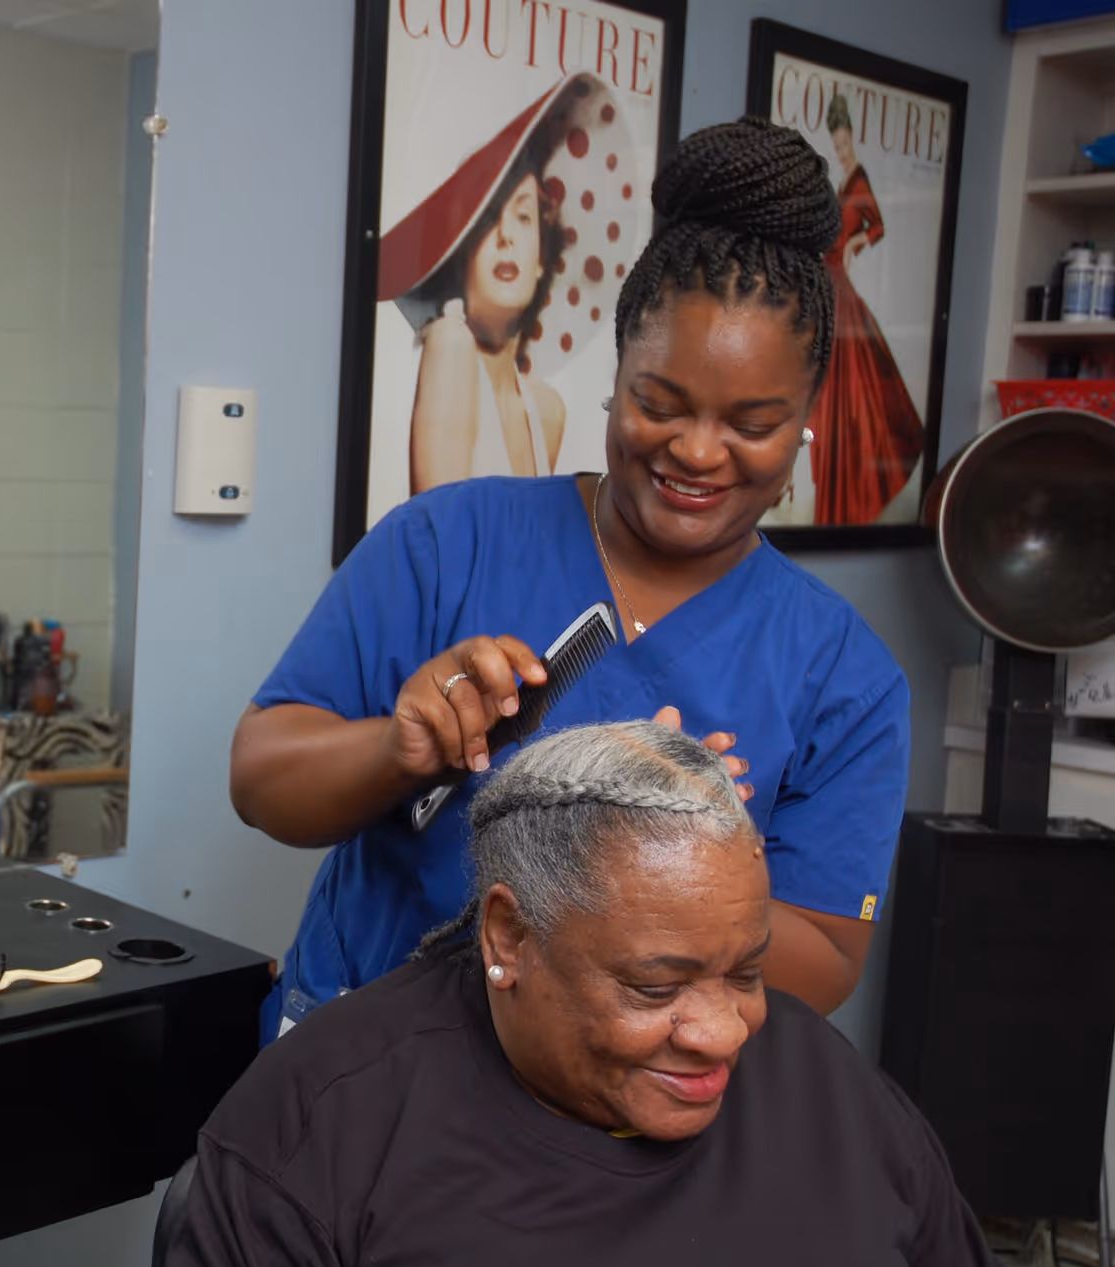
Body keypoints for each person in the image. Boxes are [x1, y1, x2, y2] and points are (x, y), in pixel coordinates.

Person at [231, 118, 909, 1042]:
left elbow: (828, 961)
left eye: (752, 423)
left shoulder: (843, 676)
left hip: (613, 1123)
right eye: (658, 403)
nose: (698, 451)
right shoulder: (447, 542)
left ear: (802, 427)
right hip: (363, 1063)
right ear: (616, 374)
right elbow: (263, 779)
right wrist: (401, 748)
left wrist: (673, 856)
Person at [177, 722, 1000, 1267]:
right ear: (508, 936)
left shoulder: (827, 1086)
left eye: (747, 972)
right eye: (654, 986)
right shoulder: (320, 1125)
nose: (722, 1033)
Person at [386, 72, 637, 490]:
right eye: (487, 221)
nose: (505, 235)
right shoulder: (451, 343)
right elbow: (440, 543)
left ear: (542, 259)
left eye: (523, 217)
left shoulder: (547, 411)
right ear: (462, 257)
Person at [809, 92, 927, 525]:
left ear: (852, 138)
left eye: (843, 144)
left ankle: (850, 497)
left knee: (852, 395)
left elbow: (876, 225)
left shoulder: (858, 181)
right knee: (835, 396)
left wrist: (856, 243)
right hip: (828, 284)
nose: (840, 152)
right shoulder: (844, 183)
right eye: (835, 146)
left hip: (838, 288)